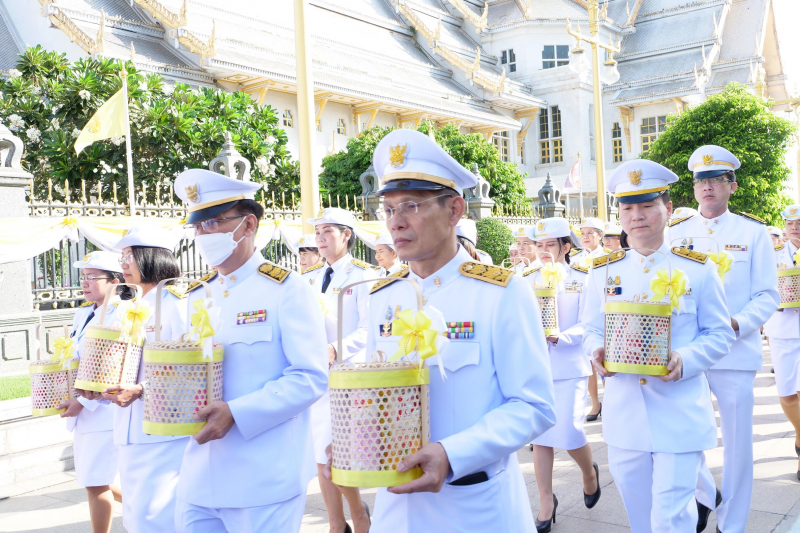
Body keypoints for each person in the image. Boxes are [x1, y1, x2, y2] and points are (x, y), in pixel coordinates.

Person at [337, 128, 556, 533]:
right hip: (396, 510)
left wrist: (453, 454)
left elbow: (535, 406)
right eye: (388, 210)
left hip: (473, 507)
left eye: (411, 207)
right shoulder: (383, 294)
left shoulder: (501, 292)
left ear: (454, 210)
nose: (395, 223)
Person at [582, 159, 735, 533]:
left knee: (670, 519)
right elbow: (589, 328)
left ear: (667, 208)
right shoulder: (602, 270)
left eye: (647, 205)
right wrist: (596, 350)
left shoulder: (698, 269)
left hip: (679, 412)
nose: (637, 216)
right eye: (627, 207)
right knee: (640, 518)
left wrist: (687, 358)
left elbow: (720, 334)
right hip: (625, 415)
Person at [173, 169, 328, 533]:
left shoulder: (287, 289)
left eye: (213, 223)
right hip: (199, 474)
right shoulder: (197, 293)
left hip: (264, 475)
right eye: (197, 227)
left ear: (248, 225)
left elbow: (310, 377)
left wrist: (237, 413)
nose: (203, 235)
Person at [669, 145, 779, 533]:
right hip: (689, 353)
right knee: (683, 432)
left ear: (732, 185)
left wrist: (736, 323)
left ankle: (731, 523)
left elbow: (768, 293)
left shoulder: (752, 232)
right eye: (701, 181)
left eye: (716, 180)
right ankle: (703, 493)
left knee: (736, 446)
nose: (708, 188)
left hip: (734, 351)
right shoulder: (676, 234)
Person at [90, 227, 187, 533]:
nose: (123, 263)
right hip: (128, 426)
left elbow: (189, 367)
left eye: (129, 256)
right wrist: (96, 387)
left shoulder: (178, 302)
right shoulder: (131, 305)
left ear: (151, 258)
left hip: (164, 427)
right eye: (122, 256)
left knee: (156, 517)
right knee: (134, 515)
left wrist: (142, 388)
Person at [524, 218, 600, 532]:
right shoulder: (525, 278)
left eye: (549, 245)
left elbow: (590, 322)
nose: (542, 251)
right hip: (536, 367)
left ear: (565, 247)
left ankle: (589, 473)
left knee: (569, 432)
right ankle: (545, 501)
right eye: (538, 245)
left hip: (570, 365)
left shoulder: (582, 277)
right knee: (540, 438)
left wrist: (561, 337)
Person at [305, 207, 376, 533]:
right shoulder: (309, 279)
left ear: (347, 235)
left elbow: (370, 328)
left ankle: (357, 513)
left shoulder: (364, 276)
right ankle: (336, 524)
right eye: (317, 232)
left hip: (347, 378)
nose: (320, 238)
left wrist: (337, 348)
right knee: (321, 455)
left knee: (339, 456)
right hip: (317, 377)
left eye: (327, 231)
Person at [59, 251, 126, 533]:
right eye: (82, 277)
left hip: (102, 409)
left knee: (96, 481)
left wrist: (83, 403)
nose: (84, 284)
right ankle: (156, 506)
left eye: (92, 277)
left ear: (114, 281)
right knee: (97, 478)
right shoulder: (83, 313)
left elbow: (113, 368)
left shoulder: (123, 313)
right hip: (83, 411)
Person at [763, 205, 800, 482]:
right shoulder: (772, 256)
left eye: (799, 222)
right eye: (791, 223)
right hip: (783, 330)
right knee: (788, 394)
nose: (795, 227)